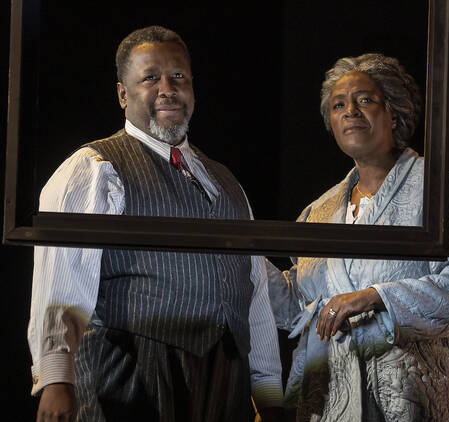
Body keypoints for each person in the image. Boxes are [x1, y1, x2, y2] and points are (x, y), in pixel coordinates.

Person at [28, 26, 283, 422]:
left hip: (224, 379)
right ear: (123, 94)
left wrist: (269, 394)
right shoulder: (96, 166)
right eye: (150, 78)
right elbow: (62, 278)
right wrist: (57, 379)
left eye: (178, 76)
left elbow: (255, 297)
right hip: (133, 370)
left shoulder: (228, 182)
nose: (168, 88)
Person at [267, 53, 449, 421]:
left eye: (365, 100)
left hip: (411, 394)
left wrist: (375, 297)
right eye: (339, 104)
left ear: (394, 113)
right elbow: (299, 305)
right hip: (332, 398)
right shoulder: (320, 211)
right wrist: (241, 254)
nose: (350, 111)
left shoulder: (440, 189)